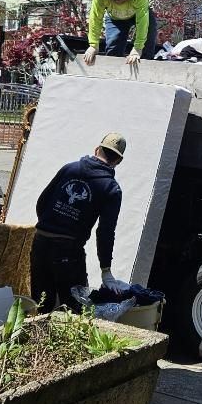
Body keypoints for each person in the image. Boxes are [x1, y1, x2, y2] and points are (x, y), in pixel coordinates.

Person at [30, 132, 129, 310]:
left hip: (41, 242)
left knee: (40, 305)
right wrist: (105, 269)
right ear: (118, 161)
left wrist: (51, 226)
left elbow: (42, 202)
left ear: (97, 149)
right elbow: (105, 232)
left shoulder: (69, 169)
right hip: (68, 251)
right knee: (75, 309)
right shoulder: (111, 189)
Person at [84, 0, 157, 66]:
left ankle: (146, 65)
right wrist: (93, 45)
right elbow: (95, 18)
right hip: (115, 19)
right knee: (113, 48)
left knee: (149, 33)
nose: (115, 0)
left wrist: (138, 48)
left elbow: (142, 22)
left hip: (137, 15)